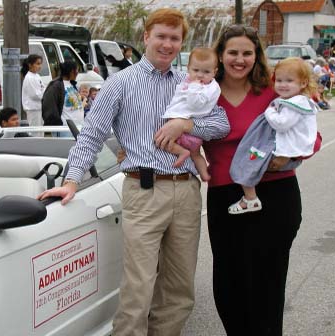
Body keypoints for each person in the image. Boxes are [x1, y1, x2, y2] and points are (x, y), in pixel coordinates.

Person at [38, 8, 230, 336]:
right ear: (146, 37)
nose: (167, 44)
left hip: (186, 190)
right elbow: (92, 134)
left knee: (180, 290)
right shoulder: (121, 83)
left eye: (174, 38)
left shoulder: (193, 85)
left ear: (181, 42)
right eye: (161, 36)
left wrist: (186, 123)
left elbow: (220, 123)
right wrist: (71, 181)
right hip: (143, 191)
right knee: (139, 288)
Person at [202, 24, 321, 335]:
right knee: (228, 285)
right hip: (225, 197)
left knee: (267, 285)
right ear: (221, 55)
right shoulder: (205, 94)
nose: (239, 59)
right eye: (233, 53)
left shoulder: (274, 90)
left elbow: (313, 135)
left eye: (247, 53)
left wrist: (289, 158)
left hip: (276, 195)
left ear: (256, 56)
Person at [227, 57, 318, 214]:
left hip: (279, 173)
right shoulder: (211, 88)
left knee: (247, 164)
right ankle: (250, 197)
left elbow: (285, 125)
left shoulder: (290, 102)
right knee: (247, 164)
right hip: (222, 188)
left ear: (303, 83)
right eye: (279, 80)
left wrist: (269, 111)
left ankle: (250, 198)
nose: (282, 84)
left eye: (289, 80)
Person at [162, 47, 220, 181]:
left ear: (214, 72)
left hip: (187, 130)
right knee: (196, 154)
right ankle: (205, 175)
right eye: (196, 70)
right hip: (190, 131)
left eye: (206, 72)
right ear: (188, 68)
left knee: (163, 141)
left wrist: (193, 87)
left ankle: (182, 152)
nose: (200, 75)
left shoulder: (210, 88)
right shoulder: (189, 80)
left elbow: (195, 104)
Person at [42, 61, 84, 137]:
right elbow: (49, 106)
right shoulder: (55, 86)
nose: (78, 72)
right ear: (71, 71)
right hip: (65, 130)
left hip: (79, 128)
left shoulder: (72, 84)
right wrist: (57, 125)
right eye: (77, 70)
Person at [21, 54, 45, 136]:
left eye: (40, 64)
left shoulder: (37, 76)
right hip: (33, 108)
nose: (39, 66)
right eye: (37, 64)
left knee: (40, 131)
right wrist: (44, 95)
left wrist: (44, 92)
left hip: (38, 107)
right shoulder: (29, 77)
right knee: (35, 131)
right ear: (30, 65)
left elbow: (42, 88)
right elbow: (35, 95)